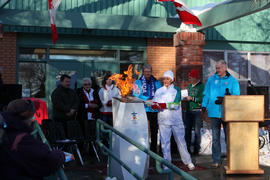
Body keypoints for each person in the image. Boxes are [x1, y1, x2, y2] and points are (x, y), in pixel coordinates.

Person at [0, 99, 65, 179]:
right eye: (32, 116)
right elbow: (47, 160)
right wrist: (60, 154)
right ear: (26, 116)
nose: (34, 119)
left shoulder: (6, 130)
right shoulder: (21, 139)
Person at [151, 70, 195, 170]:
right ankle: (167, 164)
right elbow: (154, 103)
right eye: (164, 79)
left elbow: (175, 105)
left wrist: (163, 105)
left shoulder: (177, 90)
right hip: (163, 120)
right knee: (165, 143)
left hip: (176, 120)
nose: (165, 81)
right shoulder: (159, 91)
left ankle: (188, 161)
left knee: (181, 141)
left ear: (172, 80)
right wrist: (153, 106)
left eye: (167, 79)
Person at [201, 60, 240, 168]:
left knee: (229, 138)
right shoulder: (211, 80)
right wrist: (204, 106)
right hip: (214, 112)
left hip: (228, 113)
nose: (216, 70)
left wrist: (226, 98)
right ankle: (216, 160)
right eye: (216, 68)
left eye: (218, 68)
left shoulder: (233, 81)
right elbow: (206, 94)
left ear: (224, 68)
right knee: (216, 138)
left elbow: (237, 96)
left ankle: (231, 159)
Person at [133, 64, 162, 153]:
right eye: (145, 72)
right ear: (143, 72)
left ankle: (153, 150)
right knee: (142, 129)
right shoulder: (138, 82)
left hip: (154, 109)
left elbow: (160, 94)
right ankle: (143, 149)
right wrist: (147, 100)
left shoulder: (157, 82)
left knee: (154, 130)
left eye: (149, 71)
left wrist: (153, 101)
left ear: (151, 72)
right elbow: (136, 94)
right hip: (143, 109)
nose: (147, 73)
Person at [184, 69, 204, 155]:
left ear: (195, 77)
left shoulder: (201, 86)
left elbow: (202, 99)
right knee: (187, 130)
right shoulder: (189, 86)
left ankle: (196, 149)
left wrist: (192, 99)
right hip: (188, 111)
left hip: (197, 111)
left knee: (196, 131)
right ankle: (187, 149)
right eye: (189, 78)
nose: (189, 79)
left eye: (191, 77)